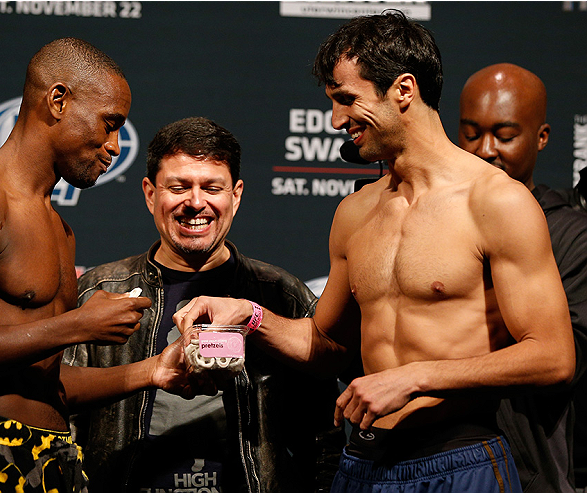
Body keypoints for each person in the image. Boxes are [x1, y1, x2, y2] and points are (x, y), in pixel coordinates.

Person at [172, 11, 576, 493]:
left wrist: (415, 378)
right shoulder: (355, 213)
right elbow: (325, 348)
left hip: (459, 460)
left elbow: (552, 356)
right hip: (363, 463)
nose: (338, 120)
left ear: (404, 90)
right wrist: (250, 315)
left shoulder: (496, 201)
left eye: (347, 100)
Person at [0, 38, 195, 493]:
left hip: (57, 458)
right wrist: (77, 326)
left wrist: (154, 369)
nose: (115, 146)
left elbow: (42, 379)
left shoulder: (60, 228)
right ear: (58, 101)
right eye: (110, 123)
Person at [62, 116, 342, 493]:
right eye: (179, 187)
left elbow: (324, 432)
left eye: (212, 187)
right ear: (150, 193)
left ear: (236, 195)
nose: (196, 203)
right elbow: (63, 417)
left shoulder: (279, 292)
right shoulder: (100, 289)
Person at [458, 62, 587, 492]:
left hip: (525, 470)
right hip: (430, 461)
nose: (485, 150)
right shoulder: (431, 219)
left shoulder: (570, 233)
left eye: (505, 135)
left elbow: (564, 362)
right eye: (471, 133)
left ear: (542, 137)